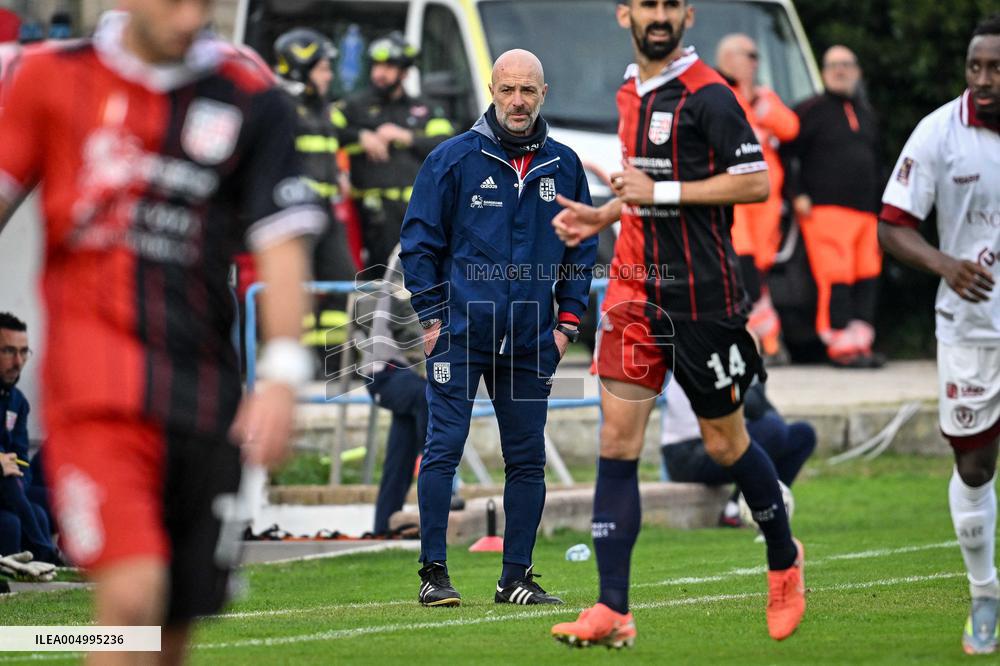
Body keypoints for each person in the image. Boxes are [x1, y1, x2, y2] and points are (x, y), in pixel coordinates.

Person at [0, 2, 323, 663]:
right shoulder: (48, 78)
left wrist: (285, 377)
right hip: (96, 396)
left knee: (170, 630)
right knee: (130, 597)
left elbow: (283, 246)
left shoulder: (252, 99)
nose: (189, 17)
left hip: (204, 401)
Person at [549, 0, 805, 647]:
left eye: (670, 4)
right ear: (624, 14)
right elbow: (646, 185)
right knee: (617, 442)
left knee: (725, 444)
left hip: (702, 297)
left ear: (687, 15)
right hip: (635, 292)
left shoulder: (709, 95)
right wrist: (606, 215)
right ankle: (613, 609)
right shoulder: (632, 90)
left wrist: (653, 194)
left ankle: (782, 555)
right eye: (647, 5)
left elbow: (753, 183)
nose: (658, 16)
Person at [400, 49, 597, 607]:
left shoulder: (564, 164)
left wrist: (566, 325)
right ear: (492, 90)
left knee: (527, 458)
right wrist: (433, 319)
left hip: (532, 339)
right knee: (443, 448)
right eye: (507, 90)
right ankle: (433, 574)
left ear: (543, 93)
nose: (517, 101)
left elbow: (581, 251)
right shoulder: (452, 159)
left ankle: (516, 578)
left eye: (527, 91)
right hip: (459, 335)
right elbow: (418, 245)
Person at [878, 14, 1000, 655]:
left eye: (995, 69)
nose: (982, 80)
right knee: (975, 464)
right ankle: (985, 595)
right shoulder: (938, 134)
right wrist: (945, 265)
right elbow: (891, 225)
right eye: (975, 67)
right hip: (970, 329)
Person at [782, 45, 884, 367]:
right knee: (835, 278)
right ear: (824, 72)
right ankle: (839, 345)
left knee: (868, 275)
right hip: (825, 211)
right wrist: (796, 193)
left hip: (866, 212)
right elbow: (784, 154)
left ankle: (861, 343)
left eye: (846, 64)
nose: (840, 70)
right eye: (833, 65)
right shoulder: (809, 109)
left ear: (857, 71)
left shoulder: (867, 114)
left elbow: (879, 160)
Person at [273, 28, 357, 368]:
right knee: (298, 286)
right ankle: (303, 359)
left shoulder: (322, 108)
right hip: (295, 213)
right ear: (300, 69)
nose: (329, 75)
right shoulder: (281, 107)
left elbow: (341, 135)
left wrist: (340, 173)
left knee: (342, 278)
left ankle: (333, 362)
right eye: (323, 68)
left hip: (325, 211)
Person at [339, 31, 455, 273]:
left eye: (389, 66)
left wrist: (404, 136)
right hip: (370, 217)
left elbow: (447, 144)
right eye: (376, 65)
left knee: (420, 279)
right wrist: (362, 137)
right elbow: (326, 131)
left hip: (418, 214)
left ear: (404, 72)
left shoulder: (423, 109)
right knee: (374, 283)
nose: (380, 73)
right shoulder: (353, 106)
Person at [716, 34, 799, 364]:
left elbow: (791, 128)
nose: (755, 61)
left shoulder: (765, 97)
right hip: (735, 198)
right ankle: (762, 340)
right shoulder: (720, 94)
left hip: (765, 201)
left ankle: (766, 341)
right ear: (730, 59)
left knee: (758, 271)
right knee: (744, 269)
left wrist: (761, 106)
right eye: (749, 55)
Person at [660, 377, 816, 526]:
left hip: (720, 442)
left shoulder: (735, 356)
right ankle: (734, 510)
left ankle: (771, 505)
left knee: (802, 435)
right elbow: (752, 406)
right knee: (772, 430)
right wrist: (753, 374)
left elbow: (762, 408)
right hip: (687, 453)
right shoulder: (710, 355)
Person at [0, 312, 58, 564]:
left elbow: (23, 457)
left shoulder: (18, 402)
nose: (18, 361)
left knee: (51, 504)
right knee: (10, 522)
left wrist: (17, 473)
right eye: (8, 351)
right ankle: (48, 555)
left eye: (24, 352)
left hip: (10, 488)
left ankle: (41, 567)